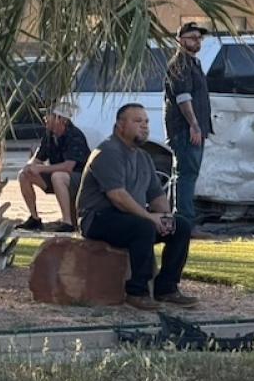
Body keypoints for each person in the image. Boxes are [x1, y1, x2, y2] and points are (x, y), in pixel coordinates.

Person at [78, 103, 197, 311]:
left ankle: (166, 288)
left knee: (181, 226)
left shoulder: (143, 157)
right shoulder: (107, 152)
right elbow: (117, 196)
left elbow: (156, 195)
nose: (144, 126)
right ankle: (137, 292)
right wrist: (150, 218)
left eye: (146, 122)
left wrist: (165, 218)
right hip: (97, 218)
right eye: (137, 121)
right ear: (120, 125)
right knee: (143, 227)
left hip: (130, 216)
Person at [164, 21, 212, 229]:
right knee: (186, 175)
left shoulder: (194, 63)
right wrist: (194, 124)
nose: (197, 41)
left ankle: (176, 220)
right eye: (192, 37)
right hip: (185, 129)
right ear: (180, 40)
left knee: (184, 174)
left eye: (199, 38)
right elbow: (183, 97)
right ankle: (184, 222)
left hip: (195, 128)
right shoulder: (180, 64)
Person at [19, 103, 90, 232]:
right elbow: (38, 158)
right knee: (24, 175)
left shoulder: (75, 135)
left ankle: (67, 222)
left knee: (58, 176)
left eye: (49, 115)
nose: (45, 118)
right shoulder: (49, 135)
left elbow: (68, 167)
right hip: (56, 178)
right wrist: (30, 166)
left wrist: (40, 168)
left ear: (61, 119)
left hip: (79, 180)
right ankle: (34, 219)